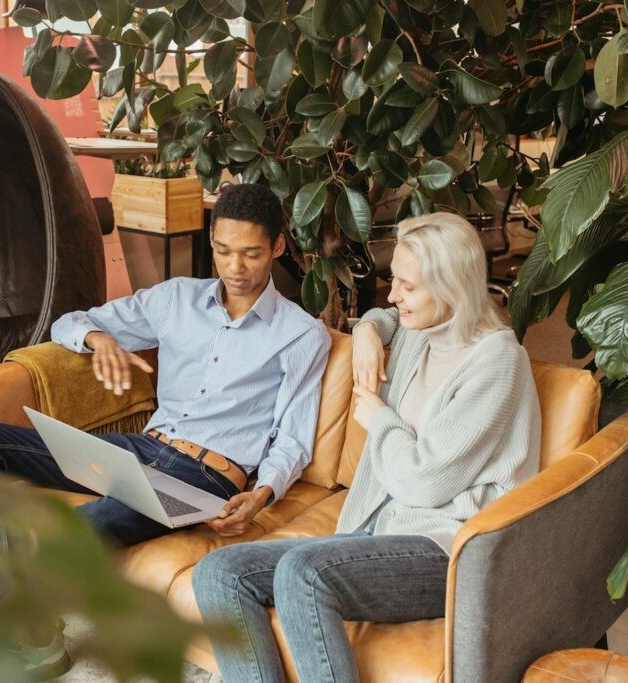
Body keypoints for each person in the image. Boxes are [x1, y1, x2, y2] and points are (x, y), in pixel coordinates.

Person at [0, 183, 331, 676]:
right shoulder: (175, 299)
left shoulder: (302, 334)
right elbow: (72, 321)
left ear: (278, 246)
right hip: (139, 451)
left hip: (204, 477)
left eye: (251, 253)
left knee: (75, 531)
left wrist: (262, 494)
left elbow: (294, 437)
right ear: (211, 241)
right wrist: (99, 339)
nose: (235, 268)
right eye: (222, 251)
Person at [192, 212, 542, 683]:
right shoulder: (424, 329)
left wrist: (379, 417)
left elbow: (422, 482)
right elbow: (386, 316)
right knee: (219, 573)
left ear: (453, 286)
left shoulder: (498, 362)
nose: (394, 294)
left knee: (303, 573)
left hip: (450, 550)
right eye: (393, 279)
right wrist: (366, 332)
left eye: (407, 286)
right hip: (377, 534)